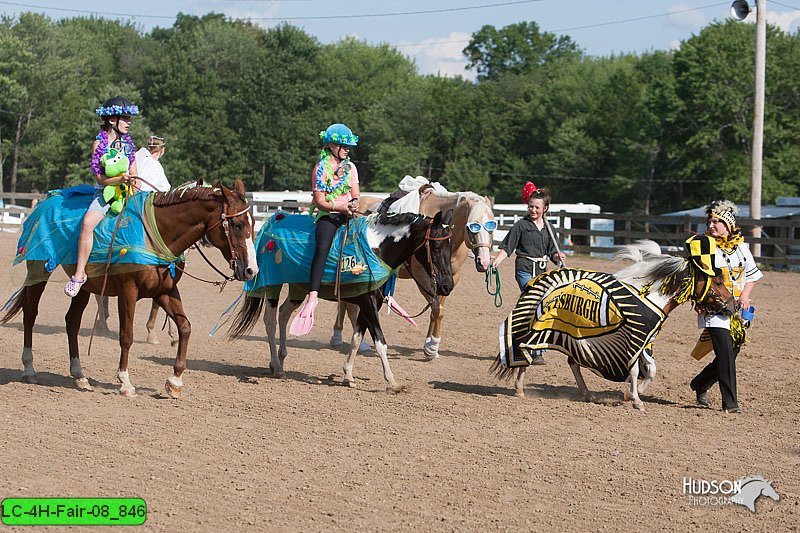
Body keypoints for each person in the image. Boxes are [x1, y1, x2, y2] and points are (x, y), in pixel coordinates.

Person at [690, 200, 762, 414]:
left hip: (738, 309)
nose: (712, 225)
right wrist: (697, 302)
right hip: (714, 308)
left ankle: (700, 384)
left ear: (729, 225)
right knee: (726, 353)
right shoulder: (704, 248)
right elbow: (696, 279)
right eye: (710, 221)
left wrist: (746, 297)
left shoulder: (741, 247)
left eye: (717, 221)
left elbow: (752, 275)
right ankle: (730, 404)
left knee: (731, 351)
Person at [64, 96, 139, 297]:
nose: (129, 122)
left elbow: (135, 175)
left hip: (128, 195)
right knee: (88, 224)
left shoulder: (130, 146)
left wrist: (133, 183)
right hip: (104, 194)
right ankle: (79, 275)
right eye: (125, 117)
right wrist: (119, 180)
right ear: (112, 120)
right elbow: (100, 177)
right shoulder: (99, 144)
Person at [289, 123, 360, 336]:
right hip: (329, 215)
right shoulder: (320, 168)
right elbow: (320, 201)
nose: (347, 149)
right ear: (331, 145)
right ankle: (312, 297)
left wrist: (355, 202)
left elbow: (356, 191)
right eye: (343, 145)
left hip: (348, 214)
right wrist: (340, 207)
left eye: (348, 146)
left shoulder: (351, 167)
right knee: (322, 247)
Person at [491, 182, 565, 365]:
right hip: (524, 270)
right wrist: (495, 262)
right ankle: (535, 351)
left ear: (545, 208)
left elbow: (552, 253)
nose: (533, 209)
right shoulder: (521, 226)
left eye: (536, 207)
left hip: (542, 272)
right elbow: (507, 248)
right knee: (537, 302)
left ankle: (532, 348)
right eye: (530, 206)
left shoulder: (549, 228)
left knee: (540, 308)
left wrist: (558, 256)